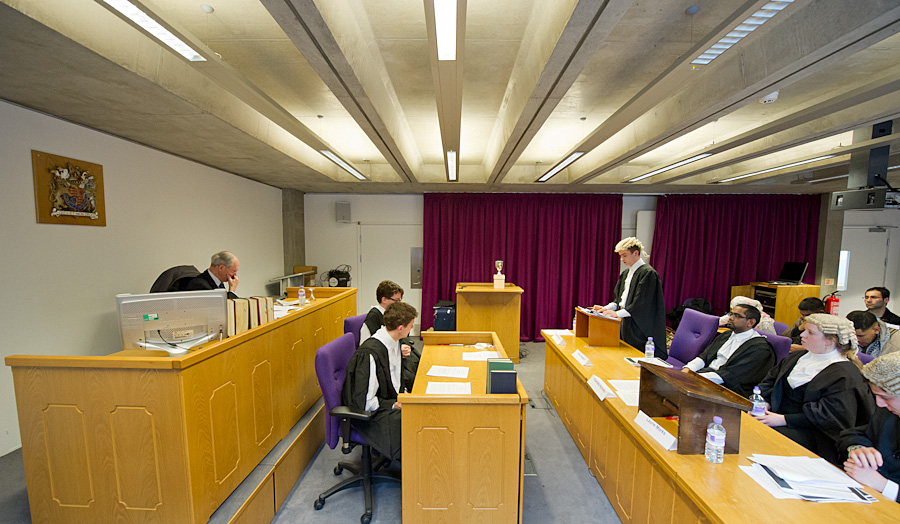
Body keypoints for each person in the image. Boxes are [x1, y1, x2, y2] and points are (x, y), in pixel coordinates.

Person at [753, 314, 874, 465]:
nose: (802, 335)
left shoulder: (844, 374)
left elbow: (829, 417)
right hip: (776, 417)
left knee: (757, 437)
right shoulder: (798, 356)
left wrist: (782, 420)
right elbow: (770, 380)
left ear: (830, 341)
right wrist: (763, 403)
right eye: (804, 330)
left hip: (814, 434)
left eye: (810, 332)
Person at [342, 301, 418, 462]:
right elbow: (365, 402)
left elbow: (394, 379)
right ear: (400, 328)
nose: (412, 328)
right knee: (414, 422)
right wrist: (393, 404)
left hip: (387, 401)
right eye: (411, 325)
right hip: (369, 415)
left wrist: (403, 395)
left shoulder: (394, 342)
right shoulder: (369, 354)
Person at [839, 352, 900, 503]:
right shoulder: (888, 411)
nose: (879, 404)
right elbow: (853, 434)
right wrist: (859, 449)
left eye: (885, 397)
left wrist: (883, 485)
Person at [594, 237, 667, 358]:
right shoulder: (626, 273)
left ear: (636, 253)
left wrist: (616, 314)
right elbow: (619, 300)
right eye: (620, 256)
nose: (622, 259)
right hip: (626, 324)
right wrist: (606, 308)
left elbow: (641, 304)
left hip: (640, 328)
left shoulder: (648, 274)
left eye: (624, 255)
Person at [681, 304, 775, 397]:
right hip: (706, 376)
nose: (730, 318)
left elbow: (731, 376)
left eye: (736, 316)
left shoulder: (759, 348)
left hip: (727, 389)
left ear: (750, 322)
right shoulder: (726, 335)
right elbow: (704, 356)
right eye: (731, 314)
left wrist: (694, 377)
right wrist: (688, 369)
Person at [361, 280, 421, 392]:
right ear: (384, 299)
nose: (399, 303)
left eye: (400, 300)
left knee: (419, 362)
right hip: (385, 359)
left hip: (397, 352)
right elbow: (371, 346)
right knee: (410, 376)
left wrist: (403, 346)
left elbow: (402, 335)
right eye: (396, 300)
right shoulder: (373, 317)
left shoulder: (393, 313)